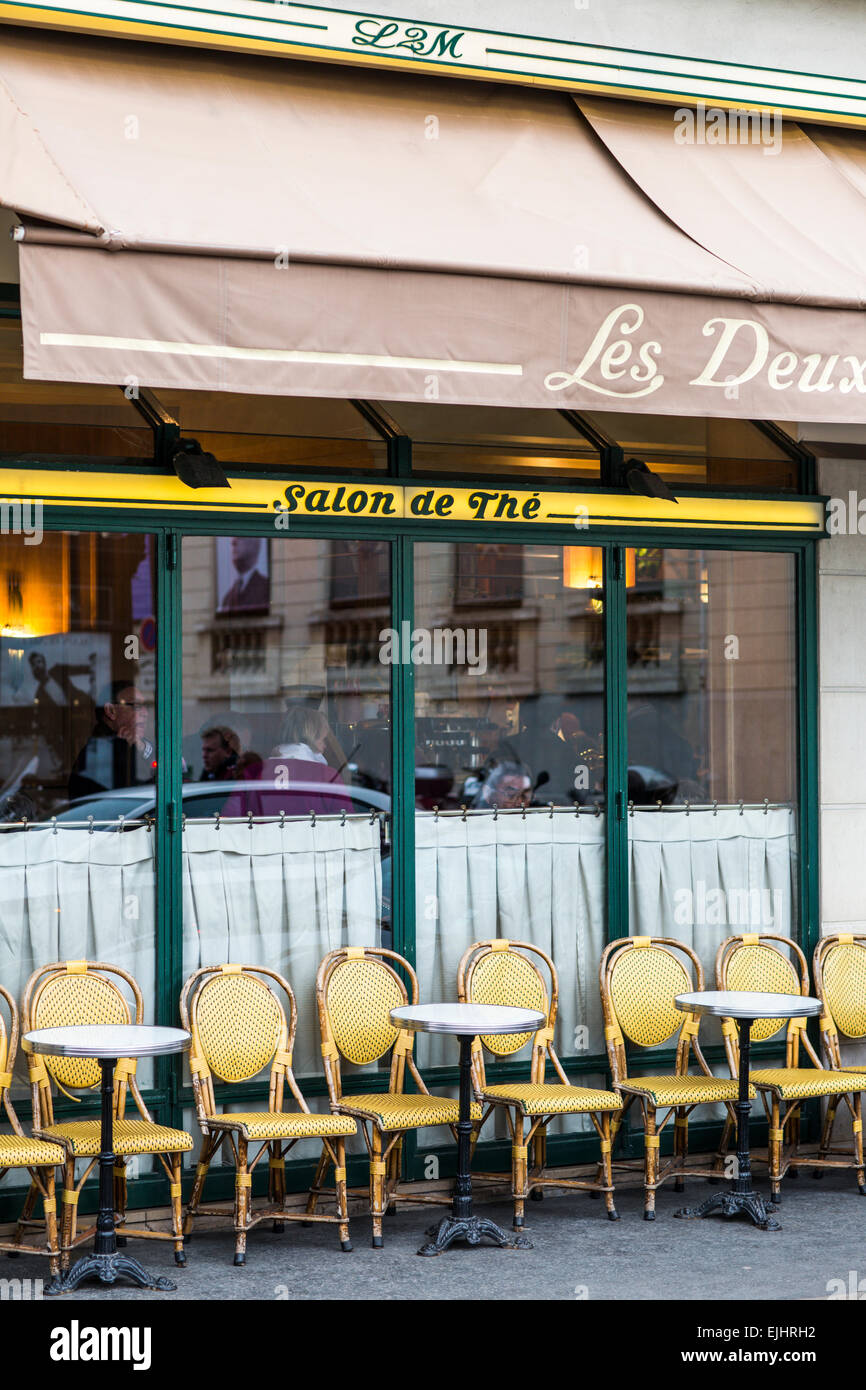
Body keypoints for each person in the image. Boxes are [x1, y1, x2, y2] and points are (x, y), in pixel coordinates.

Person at [68, 680, 154, 801]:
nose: (145, 713)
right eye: (137, 706)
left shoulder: (139, 745)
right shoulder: (97, 752)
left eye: (146, 706)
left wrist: (140, 747)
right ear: (111, 710)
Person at [218, 537, 269, 613]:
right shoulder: (227, 599)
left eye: (240, 537)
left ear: (253, 545)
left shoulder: (266, 588)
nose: (233, 542)